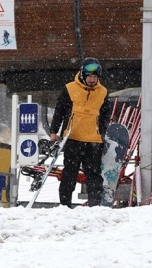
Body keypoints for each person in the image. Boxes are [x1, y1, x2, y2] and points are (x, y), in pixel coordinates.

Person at [49, 57, 112, 207]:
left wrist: (103, 135)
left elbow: (104, 116)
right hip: (73, 138)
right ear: (83, 75)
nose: (92, 79)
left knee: (94, 175)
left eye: (95, 77)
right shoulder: (70, 89)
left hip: (93, 141)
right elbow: (59, 111)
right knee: (70, 174)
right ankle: (65, 205)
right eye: (90, 76)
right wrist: (53, 132)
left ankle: (95, 206)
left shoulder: (103, 92)